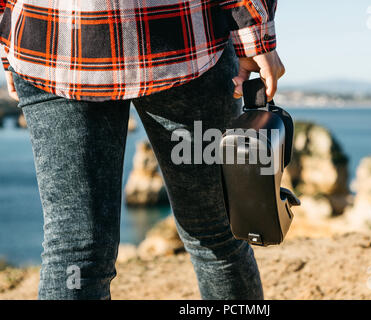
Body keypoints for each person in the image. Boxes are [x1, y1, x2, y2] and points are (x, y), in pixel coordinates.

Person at [0, 0, 284, 300]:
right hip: (183, 39)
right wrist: (254, 29)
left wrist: (9, 34)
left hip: (48, 43)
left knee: (75, 253)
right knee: (217, 237)